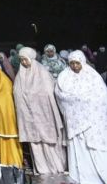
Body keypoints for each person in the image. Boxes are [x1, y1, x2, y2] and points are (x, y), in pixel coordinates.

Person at [55, 50, 107, 183]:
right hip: (74, 122)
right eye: (71, 63)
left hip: (92, 122)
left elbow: (101, 97)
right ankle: (80, 176)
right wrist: (79, 100)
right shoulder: (64, 77)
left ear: (82, 62)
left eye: (77, 63)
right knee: (79, 150)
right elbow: (61, 96)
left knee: (94, 151)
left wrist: (79, 100)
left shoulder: (93, 77)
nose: (74, 66)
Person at [13, 47, 66, 175]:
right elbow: (17, 93)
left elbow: (48, 92)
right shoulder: (20, 75)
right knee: (35, 144)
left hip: (44, 116)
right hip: (29, 117)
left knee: (48, 143)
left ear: (31, 58)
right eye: (21, 60)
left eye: (25, 60)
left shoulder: (42, 72)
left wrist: (32, 96)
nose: (24, 63)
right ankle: (42, 170)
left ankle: (56, 168)